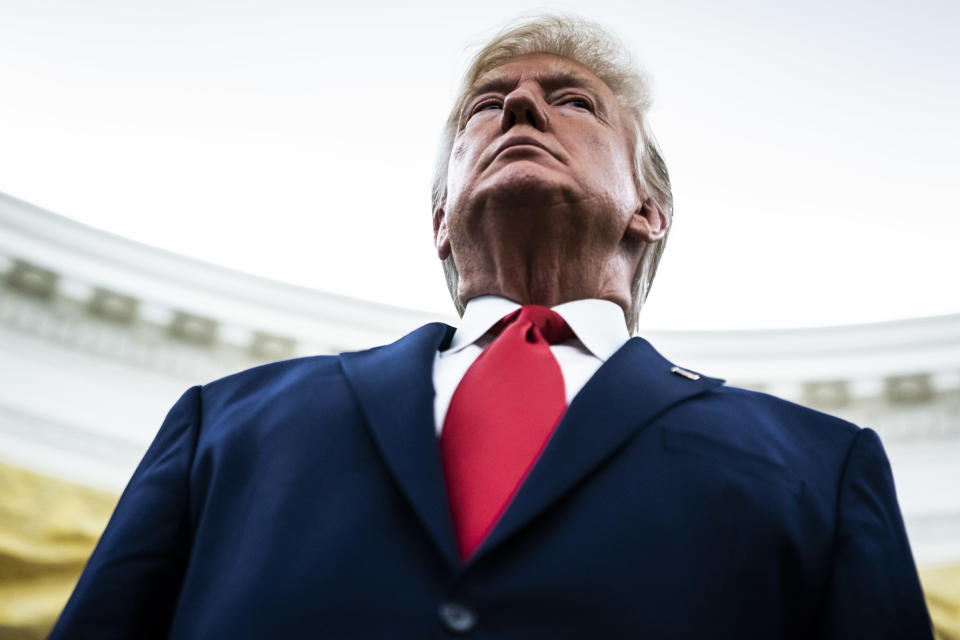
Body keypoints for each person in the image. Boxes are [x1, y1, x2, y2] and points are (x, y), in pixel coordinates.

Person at [51, 15, 932, 639]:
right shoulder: (226, 420)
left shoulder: (822, 464)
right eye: (487, 104)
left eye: (572, 101)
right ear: (439, 219)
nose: (517, 109)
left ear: (650, 211)